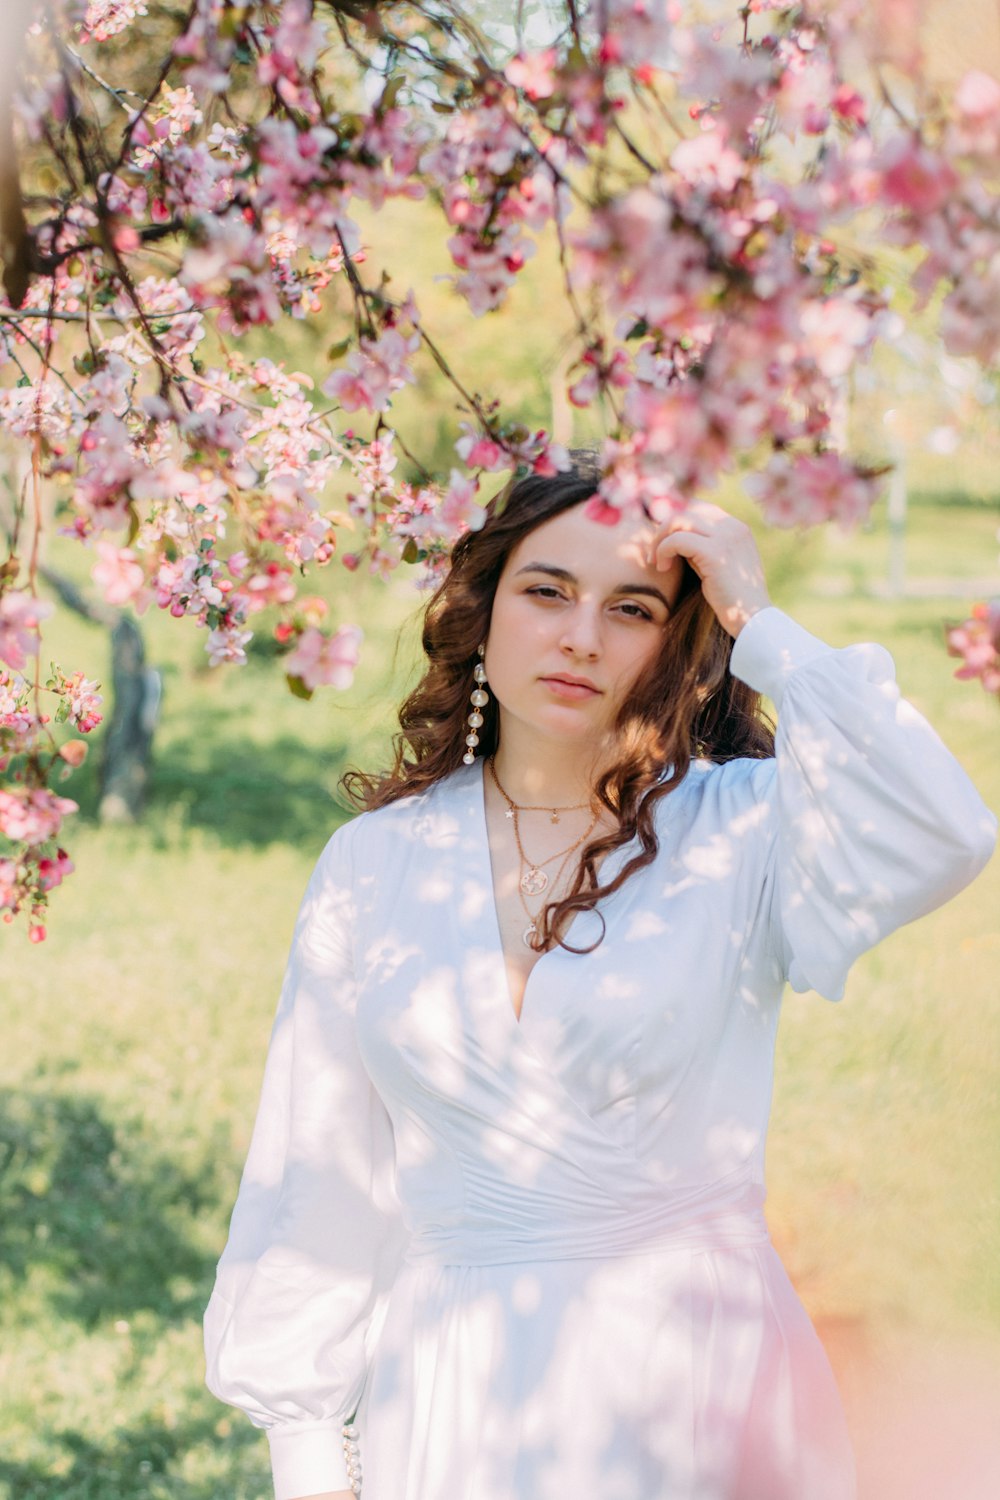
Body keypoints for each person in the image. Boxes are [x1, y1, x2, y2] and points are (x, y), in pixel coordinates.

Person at [203, 456, 996, 1500]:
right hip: (450, 1387)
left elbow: (941, 826)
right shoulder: (375, 863)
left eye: (631, 608)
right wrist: (309, 1455)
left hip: (690, 1385)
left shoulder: (740, 830)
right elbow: (317, 1170)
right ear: (481, 612)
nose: (581, 636)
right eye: (546, 592)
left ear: (679, 645)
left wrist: (759, 619)